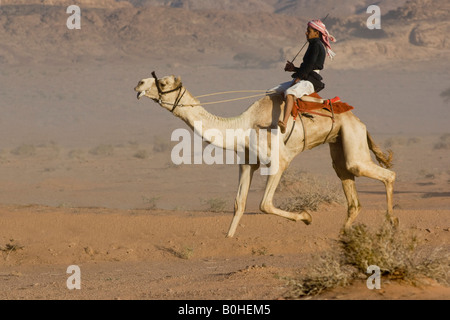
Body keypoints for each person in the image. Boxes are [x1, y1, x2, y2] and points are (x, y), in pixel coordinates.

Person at [272, 20, 341, 134]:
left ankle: (284, 123)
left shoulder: (317, 46)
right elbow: (307, 67)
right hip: (305, 76)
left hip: (311, 81)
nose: (306, 33)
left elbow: (310, 66)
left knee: (289, 93)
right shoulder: (312, 45)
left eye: (308, 31)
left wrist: (298, 78)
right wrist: (293, 69)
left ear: (316, 33)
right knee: (273, 91)